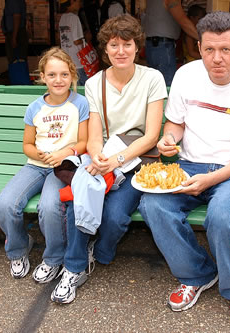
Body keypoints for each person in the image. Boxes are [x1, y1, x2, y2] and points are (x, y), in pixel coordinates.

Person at [138, 11, 230, 330]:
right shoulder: (187, 75)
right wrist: (169, 139)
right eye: (209, 50)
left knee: (223, 216)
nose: (217, 58)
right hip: (190, 164)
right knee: (153, 205)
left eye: (225, 50)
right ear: (199, 46)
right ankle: (197, 274)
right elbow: (175, 124)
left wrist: (212, 179)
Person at [50, 14, 167, 304]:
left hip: (138, 159)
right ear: (105, 50)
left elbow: (152, 136)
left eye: (127, 44)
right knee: (82, 197)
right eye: (114, 45)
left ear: (137, 47)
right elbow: (94, 132)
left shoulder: (152, 78)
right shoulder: (95, 82)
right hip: (105, 154)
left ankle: (100, 252)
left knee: (114, 218)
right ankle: (74, 267)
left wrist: (116, 159)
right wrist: (99, 156)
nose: (121, 51)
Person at [0, 47, 89, 282]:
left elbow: (84, 141)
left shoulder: (80, 103)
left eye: (64, 74)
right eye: (52, 75)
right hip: (36, 164)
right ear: (42, 77)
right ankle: (18, 248)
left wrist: (63, 153)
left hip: (63, 167)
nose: (59, 80)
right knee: (5, 204)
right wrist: (41, 154)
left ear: (72, 76)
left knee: (49, 207)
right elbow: (27, 145)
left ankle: (54, 258)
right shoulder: (35, 107)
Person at [143, 0, 198, 86]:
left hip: (154, 45)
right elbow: (183, 21)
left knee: (156, 87)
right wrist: (204, 39)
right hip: (163, 47)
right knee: (166, 87)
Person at [59, 0, 91, 85]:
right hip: (78, 60)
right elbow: (77, 41)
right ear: (72, 2)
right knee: (85, 88)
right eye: (78, 1)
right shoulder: (74, 18)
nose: (80, 4)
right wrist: (86, 39)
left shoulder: (62, 17)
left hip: (67, 59)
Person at [1, 0, 28, 64]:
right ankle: (17, 72)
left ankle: (17, 73)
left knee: (15, 59)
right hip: (15, 32)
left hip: (15, 32)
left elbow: (17, 17)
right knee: (17, 59)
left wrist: (14, 37)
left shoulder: (13, 1)